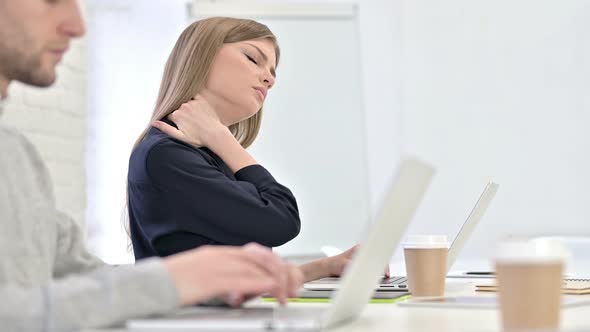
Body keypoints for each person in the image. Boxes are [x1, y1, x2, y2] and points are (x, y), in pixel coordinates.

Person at [0, 1, 302, 330]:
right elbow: (280, 220)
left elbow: (85, 277)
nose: (78, 26)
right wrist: (179, 280)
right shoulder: (165, 154)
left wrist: (209, 279)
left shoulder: (18, 156)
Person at [127, 17, 379, 283]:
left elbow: (224, 276)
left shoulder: (202, 154)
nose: (269, 79)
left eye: (273, 71)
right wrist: (222, 138)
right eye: (252, 58)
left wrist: (322, 268)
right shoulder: (168, 155)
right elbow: (281, 220)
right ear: (201, 55)